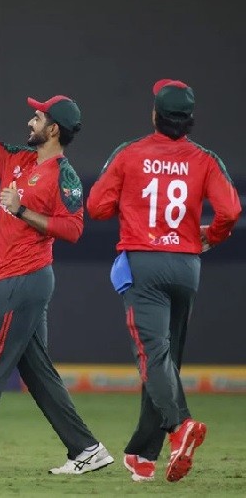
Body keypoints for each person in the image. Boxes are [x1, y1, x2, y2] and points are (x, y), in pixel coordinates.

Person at [0, 47, 111, 476]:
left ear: (53, 129)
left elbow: (73, 229)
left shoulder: (63, 174)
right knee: (38, 372)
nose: (30, 121)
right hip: (14, 279)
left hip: (24, 279)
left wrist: (22, 210)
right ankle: (87, 449)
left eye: (37, 117)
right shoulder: (18, 160)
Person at [87, 79, 241, 483]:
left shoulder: (130, 153)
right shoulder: (205, 159)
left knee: (152, 354)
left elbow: (97, 207)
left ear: (155, 115)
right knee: (165, 360)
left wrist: (131, 202)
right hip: (187, 265)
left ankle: (180, 426)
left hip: (145, 263)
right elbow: (230, 211)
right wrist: (211, 236)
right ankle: (143, 452)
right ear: (189, 119)